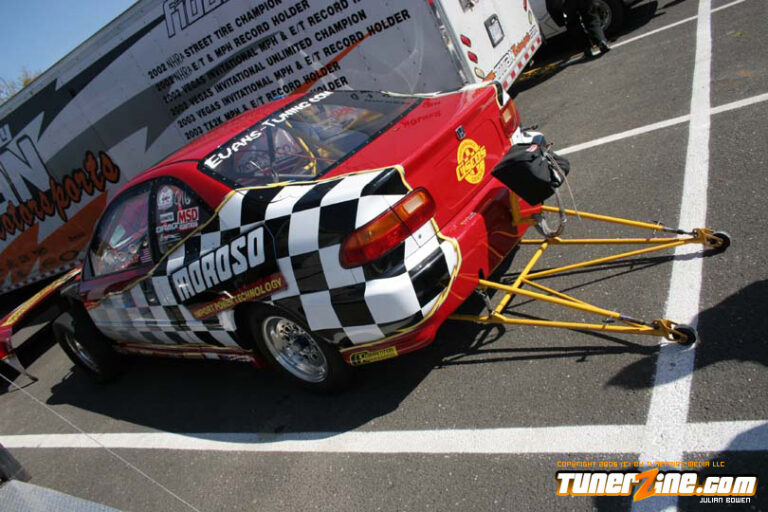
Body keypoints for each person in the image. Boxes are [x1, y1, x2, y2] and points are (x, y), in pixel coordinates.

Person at [546, 0, 611, 59]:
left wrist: (560, 21)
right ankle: (601, 41)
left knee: (574, 25)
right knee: (591, 18)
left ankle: (586, 48)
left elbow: (551, 5)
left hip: (567, 3)